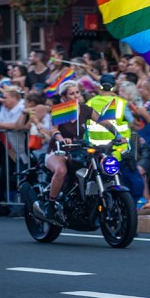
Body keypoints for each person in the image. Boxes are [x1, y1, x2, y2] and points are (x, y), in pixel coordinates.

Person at [38, 83, 125, 224]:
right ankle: (51, 206)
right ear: (64, 97)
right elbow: (54, 130)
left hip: (79, 151)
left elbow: (105, 123)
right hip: (58, 151)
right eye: (71, 93)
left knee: (102, 165)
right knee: (61, 170)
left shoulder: (86, 110)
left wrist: (118, 135)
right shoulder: (59, 111)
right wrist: (61, 139)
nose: (76, 95)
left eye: (77, 92)